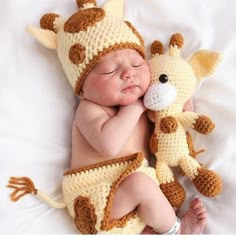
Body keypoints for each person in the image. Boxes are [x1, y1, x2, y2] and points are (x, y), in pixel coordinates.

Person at [8, 0, 206, 234]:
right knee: (140, 186)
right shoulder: (89, 110)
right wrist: (137, 107)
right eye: (110, 70)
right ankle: (177, 230)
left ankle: (148, 230)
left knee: (145, 187)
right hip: (97, 200)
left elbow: (164, 141)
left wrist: (177, 110)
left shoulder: (144, 107)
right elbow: (109, 145)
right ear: (83, 89)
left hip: (133, 199)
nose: (129, 74)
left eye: (136, 63)